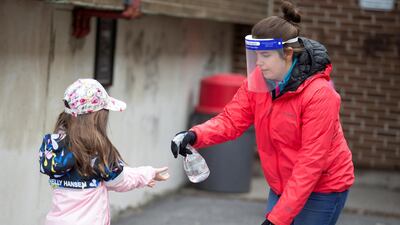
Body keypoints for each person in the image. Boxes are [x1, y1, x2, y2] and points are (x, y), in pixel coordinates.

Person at [170, 1, 354, 225]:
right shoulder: (259, 81)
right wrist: (195, 135)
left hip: (322, 189)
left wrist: (277, 218)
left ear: (287, 53)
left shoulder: (319, 95)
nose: (259, 63)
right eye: (256, 54)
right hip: (281, 184)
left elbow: (310, 163)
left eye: (266, 55)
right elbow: (231, 120)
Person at [39, 78, 169, 225]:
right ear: (96, 117)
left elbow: (109, 175)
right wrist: (147, 173)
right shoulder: (97, 150)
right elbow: (119, 181)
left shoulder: (53, 146)